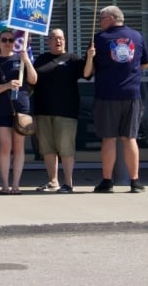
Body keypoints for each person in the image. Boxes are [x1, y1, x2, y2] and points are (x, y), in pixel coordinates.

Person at [85, 5, 148, 194]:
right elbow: (146, 63)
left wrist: (91, 58)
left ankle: (107, 181)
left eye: (101, 19)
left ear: (110, 19)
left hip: (107, 96)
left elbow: (88, 72)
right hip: (132, 95)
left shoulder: (99, 39)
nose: (99, 23)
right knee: (130, 138)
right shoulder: (137, 37)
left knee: (109, 139)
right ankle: (135, 181)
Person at [33, 28, 87, 194]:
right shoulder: (42, 59)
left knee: (65, 149)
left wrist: (90, 57)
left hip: (66, 112)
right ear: (48, 41)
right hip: (43, 110)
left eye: (61, 38)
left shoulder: (73, 59)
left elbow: (86, 74)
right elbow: (32, 79)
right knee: (48, 149)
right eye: (54, 38)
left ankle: (68, 184)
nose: (58, 41)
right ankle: (53, 181)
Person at [0, 29, 37, 195]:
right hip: (3, 109)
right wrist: (6, 86)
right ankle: (5, 184)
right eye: (4, 40)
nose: (7, 43)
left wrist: (27, 61)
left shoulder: (21, 60)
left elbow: (34, 80)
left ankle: (16, 184)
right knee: (5, 146)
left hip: (22, 107)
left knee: (19, 146)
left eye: (10, 40)